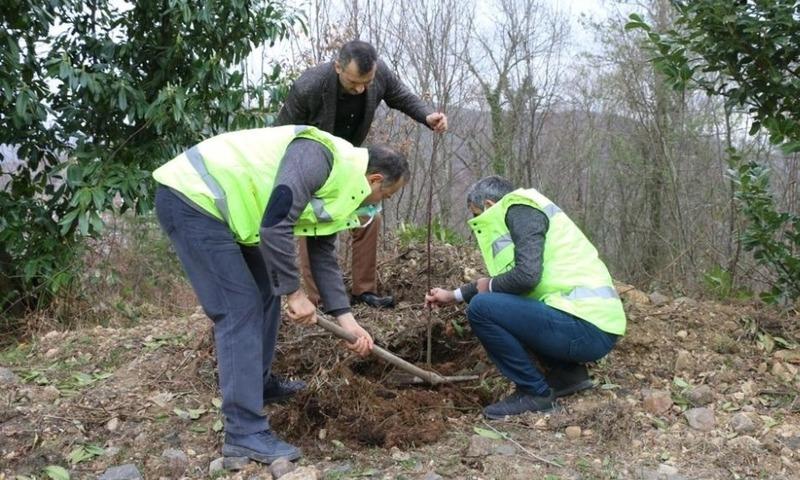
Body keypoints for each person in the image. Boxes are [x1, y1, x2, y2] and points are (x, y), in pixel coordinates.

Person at [152, 125, 409, 462]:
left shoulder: (343, 187)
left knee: (265, 290)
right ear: (375, 181)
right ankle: (244, 432)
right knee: (239, 308)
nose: (380, 207)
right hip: (193, 199)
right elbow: (275, 223)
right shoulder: (319, 157)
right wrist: (294, 293)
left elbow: (322, 255)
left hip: (231, 217)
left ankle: (258, 384)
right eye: (385, 198)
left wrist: (348, 322)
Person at [425, 176, 626, 419]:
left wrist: (484, 288)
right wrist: (454, 295)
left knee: (481, 309)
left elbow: (525, 278)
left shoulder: (521, 210)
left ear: (489, 205)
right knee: (501, 305)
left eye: (476, 213)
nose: (476, 220)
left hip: (585, 328)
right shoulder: (526, 210)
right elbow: (508, 282)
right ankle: (567, 376)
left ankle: (535, 393)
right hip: (587, 326)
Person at [276, 39, 447, 309]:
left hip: (351, 160)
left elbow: (400, 96)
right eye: (354, 82)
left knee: (370, 215)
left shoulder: (377, 75)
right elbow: (281, 133)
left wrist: (427, 116)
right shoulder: (308, 86)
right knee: (314, 225)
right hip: (310, 164)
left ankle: (364, 291)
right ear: (337, 67)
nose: (360, 89)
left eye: (366, 82)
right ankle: (318, 299)